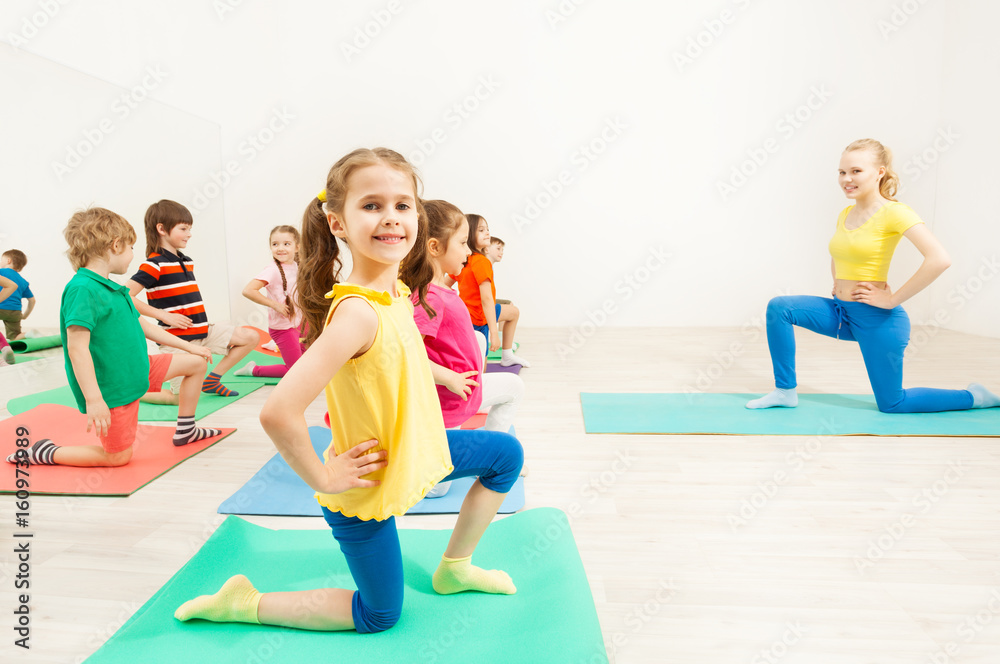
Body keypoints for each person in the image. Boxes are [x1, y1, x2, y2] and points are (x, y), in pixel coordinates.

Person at [174, 148, 523, 633]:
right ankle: (242, 602)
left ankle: (454, 567)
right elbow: (278, 412)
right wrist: (321, 477)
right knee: (378, 614)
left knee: (505, 456)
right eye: (372, 205)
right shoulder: (356, 313)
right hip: (365, 482)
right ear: (337, 223)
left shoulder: (397, 290)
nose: (391, 218)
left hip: (413, 450)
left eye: (403, 206)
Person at [747, 138, 1000, 413]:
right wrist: (838, 283)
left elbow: (939, 259)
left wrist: (891, 299)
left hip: (878, 320)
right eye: (842, 172)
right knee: (780, 308)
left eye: (856, 171)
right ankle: (785, 391)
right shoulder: (846, 213)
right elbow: (839, 253)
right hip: (841, 313)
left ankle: (975, 396)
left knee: (893, 403)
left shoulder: (895, 212)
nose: (847, 179)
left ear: (879, 172)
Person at [6, 208, 220, 468]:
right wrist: (95, 400)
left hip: (140, 366)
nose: (132, 255)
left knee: (196, 364)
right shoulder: (82, 289)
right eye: (131, 247)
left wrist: (189, 347)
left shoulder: (116, 288)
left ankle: (186, 429)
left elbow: (143, 325)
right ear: (115, 245)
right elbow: (77, 350)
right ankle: (47, 452)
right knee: (118, 457)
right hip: (113, 385)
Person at [400, 199, 525, 498]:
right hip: (451, 402)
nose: (469, 251)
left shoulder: (439, 288)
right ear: (434, 247)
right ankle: (416, 456)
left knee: (513, 385)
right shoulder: (428, 298)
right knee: (437, 491)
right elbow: (408, 355)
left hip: (465, 390)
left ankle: (491, 456)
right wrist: (449, 378)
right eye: (461, 242)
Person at [126, 200, 256, 397]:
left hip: (204, 332)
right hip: (176, 341)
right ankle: (136, 393)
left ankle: (213, 380)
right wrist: (162, 314)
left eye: (189, 228)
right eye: (183, 228)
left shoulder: (186, 261)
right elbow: (125, 295)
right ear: (161, 229)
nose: (189, 234)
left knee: (250, 337)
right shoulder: (153, 265)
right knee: (181, 399)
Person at [455, 214, 529, 367]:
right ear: (468, 234)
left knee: (513, 312)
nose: (487, 232)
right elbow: (486, 299)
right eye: (481, 230)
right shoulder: (481, 262)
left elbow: (445, 283)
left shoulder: (464, 259)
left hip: (470, 313)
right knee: (481, 363)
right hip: (479, 317)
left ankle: (507, 356)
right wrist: (494, 335)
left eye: (487, 229)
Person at [236, 225, 305, 378]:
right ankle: (252, 370)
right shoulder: (272, 270)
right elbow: (248, 290)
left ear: (297, 247)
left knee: (309, 362)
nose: (280, 248)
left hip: (298, 322)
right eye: (275, 244)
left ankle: (275, 346)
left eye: (286, 244)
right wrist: (275, 305)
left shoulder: (296, 266)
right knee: (295, 372)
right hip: (283, 327)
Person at [0, 249, 36, 341]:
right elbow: (32, 300)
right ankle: (28, 334)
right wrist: (24, 315)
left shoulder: (1, 272)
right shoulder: (23, 281)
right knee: (14, 337)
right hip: (15, 311)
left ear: (8, 261)